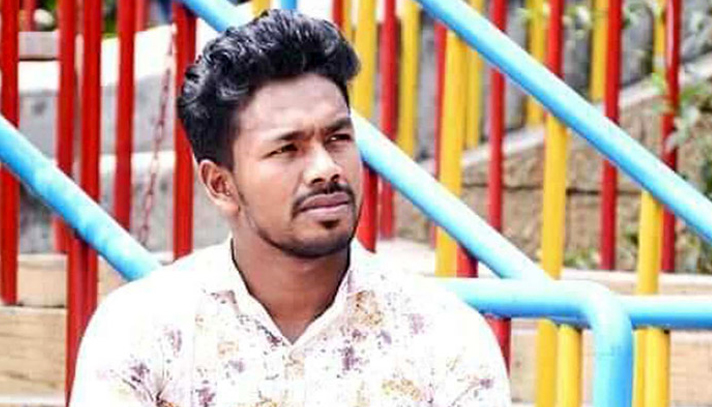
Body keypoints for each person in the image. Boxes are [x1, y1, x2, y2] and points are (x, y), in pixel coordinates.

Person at [69, 9, 510, 406]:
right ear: (221, 185)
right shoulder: (143, 331)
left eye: (338, 138)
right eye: (287, 149)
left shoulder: (443, 338)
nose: (325, 168)